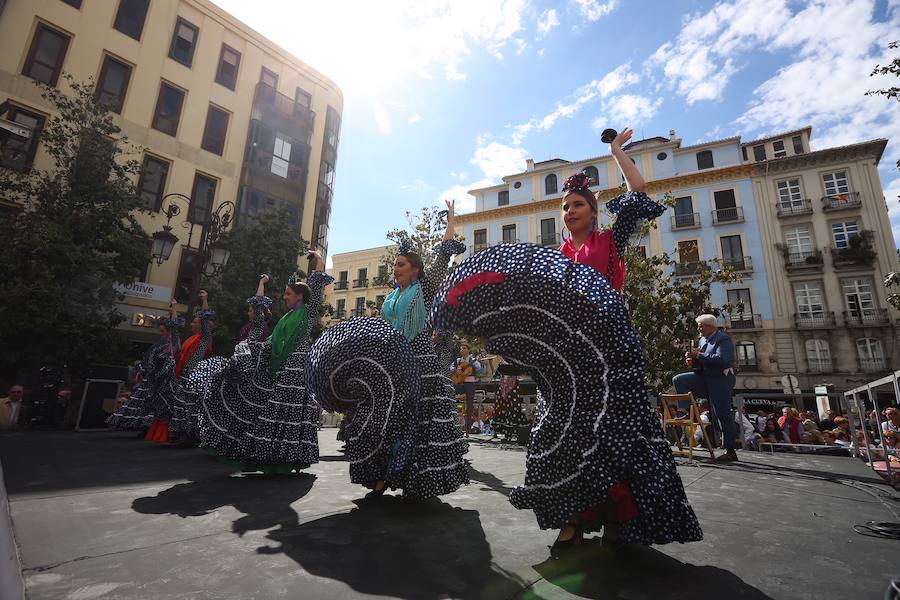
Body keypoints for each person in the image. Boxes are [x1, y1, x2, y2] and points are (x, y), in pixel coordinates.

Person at [430, 127, 701, 553]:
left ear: (594, 212)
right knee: (561, 431)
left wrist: (616, 153)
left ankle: (617, 519)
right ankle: (571, 518)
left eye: (577, 205)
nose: (570, 211)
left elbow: (640, 188)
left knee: (616, 434)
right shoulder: (555, 259)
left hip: (610, 352)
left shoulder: (610, 243)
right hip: (566, 362)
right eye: (565, 207)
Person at [308, 199, 469, 501]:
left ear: (416, 270)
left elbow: (442, 256)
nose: (395, 267)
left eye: (401, 263)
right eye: (395, 263)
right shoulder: (393, 294)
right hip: (390, 362)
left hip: (420, 361)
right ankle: (380, 476)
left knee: (417, 423)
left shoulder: (426, 287)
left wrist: (451, 221)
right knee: (383, 419)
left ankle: (414, 479)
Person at [199, 255, 333, 474]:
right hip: (279, 370)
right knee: (271, 411)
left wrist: (318, 260)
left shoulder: (307, 314)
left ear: (300, 296)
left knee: (286, 412)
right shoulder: (286, 317)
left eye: (288, 294)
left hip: (295, 371)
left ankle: (284, 460)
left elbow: (316, 290)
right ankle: (268, 457)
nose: (285, 297)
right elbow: (272, 341)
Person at [146, 292, 215, 443]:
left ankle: (189, 436)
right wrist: (174, 309)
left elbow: (205, 317)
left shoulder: (204, 339)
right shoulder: (190, 338)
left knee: (188, 406)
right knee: (177, 405)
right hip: (181, 375)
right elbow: (174, 329)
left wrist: (204, 300)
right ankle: (176, 434)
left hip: (194, 376)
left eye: (195, 322)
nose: (191, 324)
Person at [108, 302, 183, 433]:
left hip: (161, 379)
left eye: (163, 329)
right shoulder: (161, 342)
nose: (161, 331)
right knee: (143, 401)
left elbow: (175, 326)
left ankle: (147, 427)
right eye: (161, 329)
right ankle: (140, 426)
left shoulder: (173, 341)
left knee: (152, 402)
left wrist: (175, 309)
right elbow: (150, 359)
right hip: (151, 377)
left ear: (168, 330)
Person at [672, 315, 738, 462]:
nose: (698, 329)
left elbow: (723, 360)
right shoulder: (702, 340)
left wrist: (699, 355)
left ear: (710, 326)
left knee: (722, 414)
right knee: (679, 380)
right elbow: (702, 362)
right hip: (705, 378)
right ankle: (685, 412)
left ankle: (730, 450)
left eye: (701, 326)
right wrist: (692, 360)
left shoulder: (723, 339)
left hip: (721, 380)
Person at [451, 342, 483, 434]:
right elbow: (450, 368)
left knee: (469, 405)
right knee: (449, 392)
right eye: (461, 348)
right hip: (460, 383)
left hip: (470, 383)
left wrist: (476, 364)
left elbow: (479, 369)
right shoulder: (458, 361)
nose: (462, 350)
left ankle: (468, 428)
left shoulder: (473, 360)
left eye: (464, 348)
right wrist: (455, 369)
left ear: (468, 350)